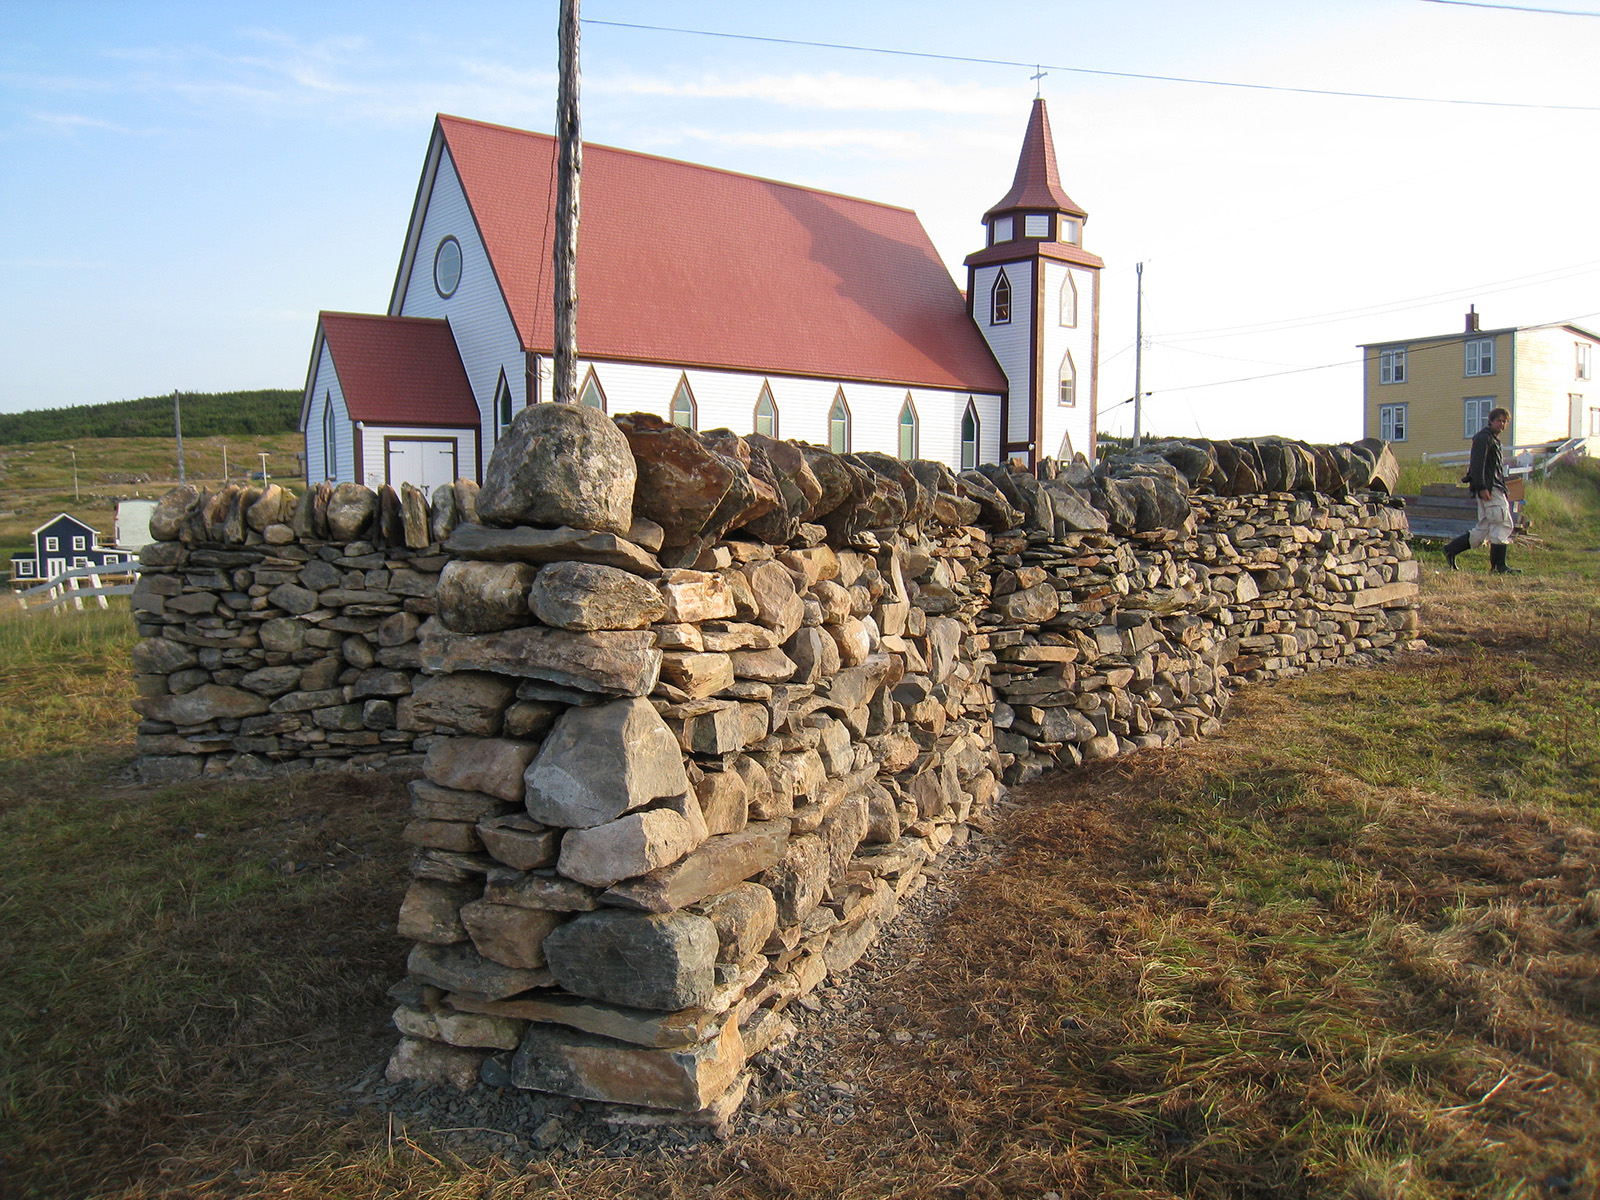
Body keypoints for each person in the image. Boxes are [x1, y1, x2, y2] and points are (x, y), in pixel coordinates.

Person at [1443, 407, 1520, 574]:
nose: (1502, 424)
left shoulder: (1490, 438)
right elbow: (1477, 465)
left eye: (1505, 421)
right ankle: (1499, 566)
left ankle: (1451, 549)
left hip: (1492, 486)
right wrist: (1483, 487)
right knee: (1502, 523)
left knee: (1484, 527)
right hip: (1490, 488)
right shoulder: (1483, 438)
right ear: (1491, 421)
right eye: (1499, 420)